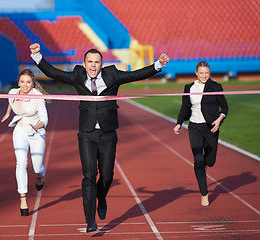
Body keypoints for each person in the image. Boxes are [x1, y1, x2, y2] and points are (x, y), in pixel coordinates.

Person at [30, 43, 169, 232]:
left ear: (101, 64)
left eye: (96, 62)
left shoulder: (113, 75)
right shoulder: (77, 75)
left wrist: (158, 65)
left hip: (108, 133)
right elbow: (54, 73)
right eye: (90, 62)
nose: (93, 66)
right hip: (86, 134)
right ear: (84, 64)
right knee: (88, 176)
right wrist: (37, 56)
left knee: (107, 176)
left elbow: (136, 74)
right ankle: (90, 221)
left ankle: (101, 196)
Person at [173, 61, 228, 207]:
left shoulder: (216, 87)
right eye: (201, 73)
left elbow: (224, 107)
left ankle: (204, 164)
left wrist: (219, 120)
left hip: (211, 128)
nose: (204, 75)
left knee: (210, 162)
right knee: (198, 160)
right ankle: (204, 194)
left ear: (209, 73)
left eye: (207, 73)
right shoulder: (189, 87)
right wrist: (179, 123)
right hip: (195, 127)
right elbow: (184, 108)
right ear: (196, 73)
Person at [1, 68, 49, 216]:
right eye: (22, 82)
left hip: (36, 131)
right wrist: (8, 113)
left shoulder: (38, 96)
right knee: (21, 163)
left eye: (28, 82)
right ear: (18, 82)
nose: (25, 85)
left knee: (36, 167)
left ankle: (40, 176)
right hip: (20, 130)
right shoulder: (12, 92)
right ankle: (23, 198)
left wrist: (37, 126)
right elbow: (11, 102)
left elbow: (44, 119)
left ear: (32, 83)